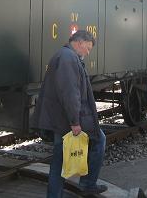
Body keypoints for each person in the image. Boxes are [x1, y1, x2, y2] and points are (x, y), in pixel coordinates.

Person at [36, 30, 107, 198]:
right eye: (88, 48)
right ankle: (87, 184)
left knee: (61, 160)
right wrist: (75, 122)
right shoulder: (68, 58)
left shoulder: (67, 56)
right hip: (65, 121)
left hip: (62, 118)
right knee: (95, 142)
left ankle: (86, 184)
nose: (88, 53)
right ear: (80, 43)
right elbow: (70, 93)